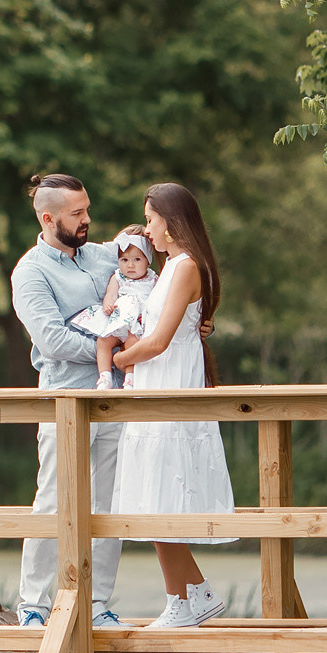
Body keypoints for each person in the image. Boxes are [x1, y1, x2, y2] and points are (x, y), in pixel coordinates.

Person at [104, 182, 235, 627]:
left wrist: (119, 360)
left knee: (163, 493)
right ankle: (186, 596)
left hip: (169, 381)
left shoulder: (184, 268)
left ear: (171, 221)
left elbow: (158, 342)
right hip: (156, 384)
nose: (147, 228)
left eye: (151, 219)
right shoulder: (172, 267)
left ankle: (190, 596)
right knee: (155, 493)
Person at [8, 172, 125, 629]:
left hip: (114, 399)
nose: (87, 220)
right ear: (48, 217)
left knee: (109, 502)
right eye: (77, 214)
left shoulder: (104, 256)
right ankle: (33, 606)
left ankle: (98, 605)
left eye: (87, 210)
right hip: (63, 398)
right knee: (53, 499)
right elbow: (53, 339)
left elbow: (153, 280)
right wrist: (116, 352)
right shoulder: (30, 271)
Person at [90, 229, 157, 391]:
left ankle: (130, 378)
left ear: (147, 261)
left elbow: (158, 301)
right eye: (124, 260)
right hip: (119, 319)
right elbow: (111, 293)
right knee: (103, 341)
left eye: (137, 259)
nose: (130, 265)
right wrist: (108, 304)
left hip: (137, 322)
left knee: (133, 344)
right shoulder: (118, 277)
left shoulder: (153, 279)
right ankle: (105, 377)